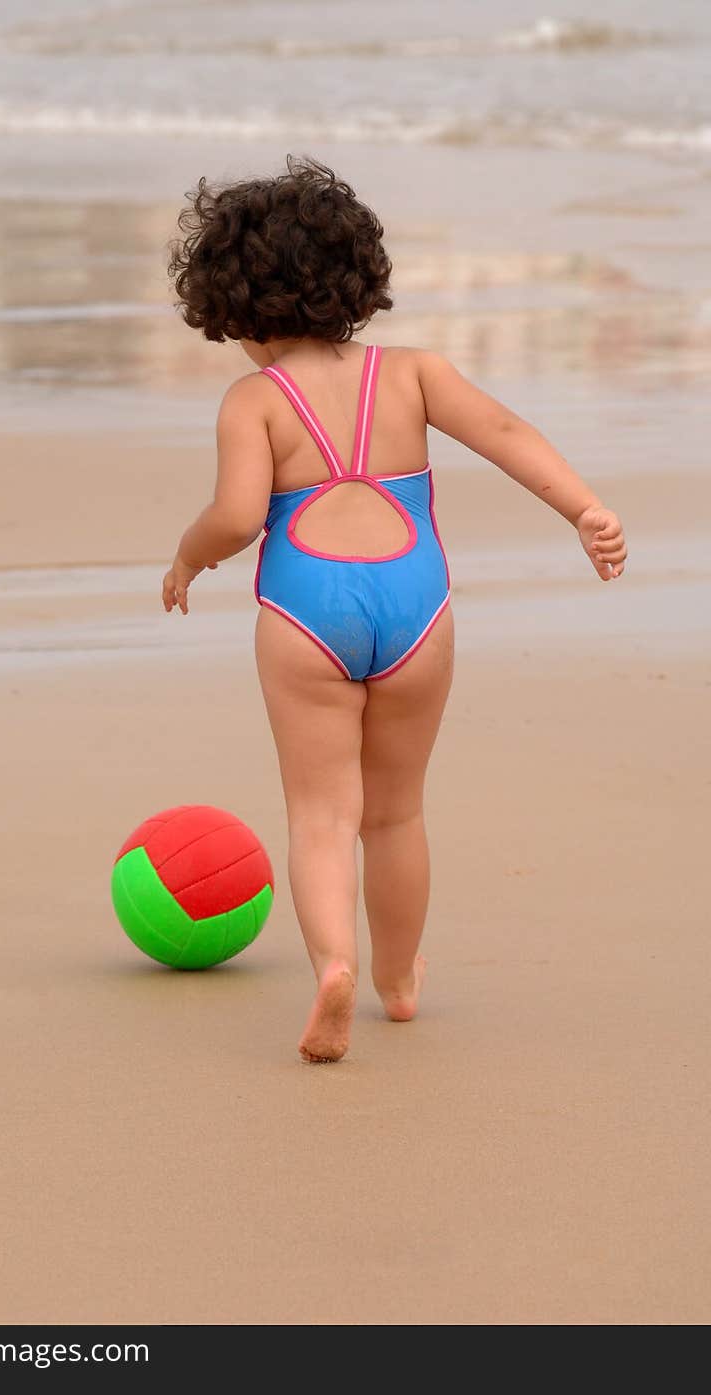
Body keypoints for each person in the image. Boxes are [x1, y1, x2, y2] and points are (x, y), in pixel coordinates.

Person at [161, 156, 627, 1063]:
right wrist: (583, 508)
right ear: (354, 278)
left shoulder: (254, 400)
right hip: (417, 605)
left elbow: (238, 515)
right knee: (397, 813)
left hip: (305, 609)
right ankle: (400, 982)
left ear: (236, 306)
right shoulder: (413, 373)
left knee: (322, 813)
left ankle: (334, 963)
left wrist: (189, 555)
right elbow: (505, 434)